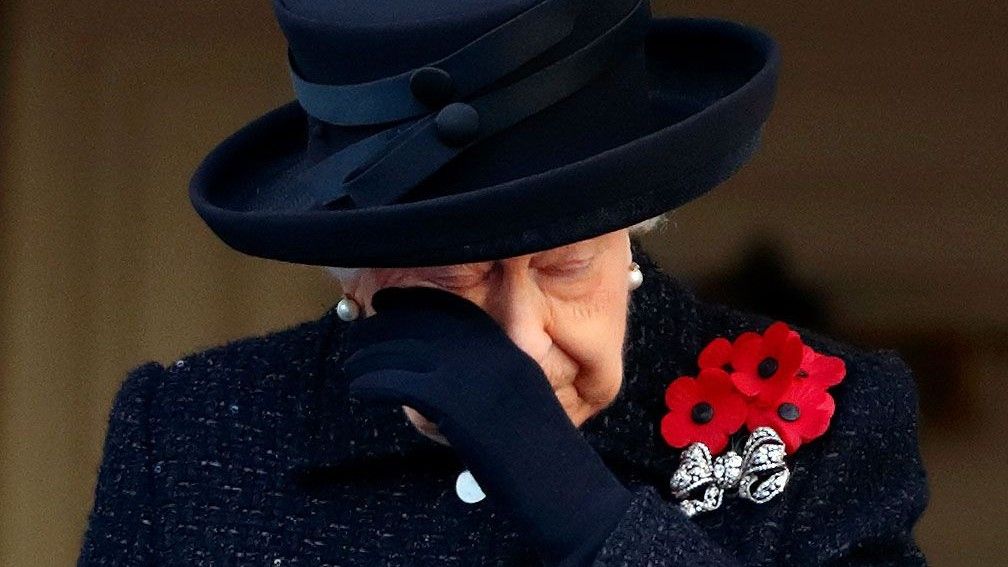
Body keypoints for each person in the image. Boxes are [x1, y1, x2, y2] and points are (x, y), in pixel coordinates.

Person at [78, 0, 930, 565]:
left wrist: (591, 516)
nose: (524, 340)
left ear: (631, 236)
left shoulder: (834, 423)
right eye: (455, 277)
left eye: (565, 265)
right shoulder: (189, 432)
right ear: (360, 278)